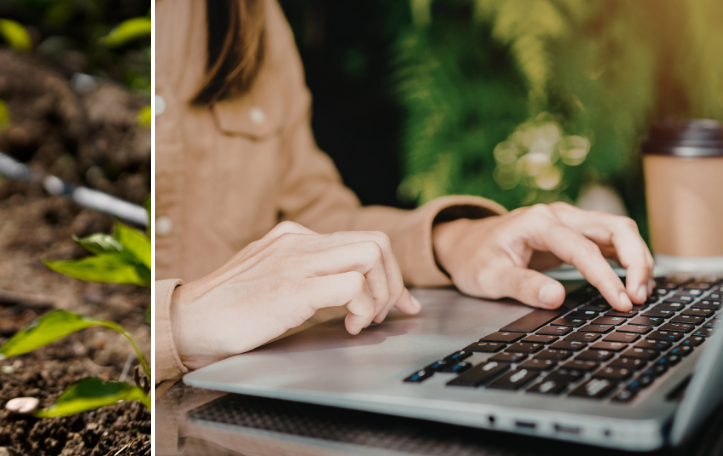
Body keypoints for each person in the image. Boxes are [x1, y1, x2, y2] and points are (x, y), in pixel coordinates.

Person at [153, 0, 655, 383]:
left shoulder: (245, 14)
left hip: (251, 403)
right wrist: (176, 322)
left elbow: (312, 216)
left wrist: (453, 241)